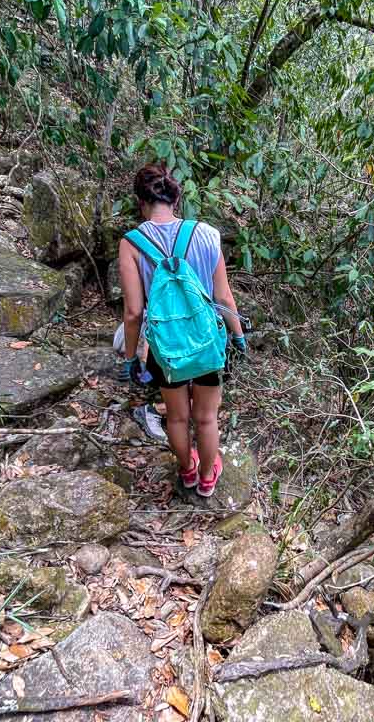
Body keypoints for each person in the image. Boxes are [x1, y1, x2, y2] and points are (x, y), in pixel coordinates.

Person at [118, 164, 246, 497]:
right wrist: (238, 336)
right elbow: (223, 296)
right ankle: (206, 478)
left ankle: (187, 471)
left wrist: (132, 357)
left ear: (141, 201)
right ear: (176, 198)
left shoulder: (131, 244)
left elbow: (133, 312)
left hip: (165, 348)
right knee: (206, 418)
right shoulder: (206, 234)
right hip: (206, 343)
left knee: (176, 418)